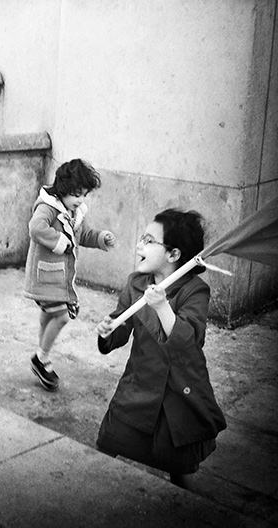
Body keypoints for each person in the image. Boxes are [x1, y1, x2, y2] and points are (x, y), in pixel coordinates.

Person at [96, 209, 226, 489]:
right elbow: (122, 327)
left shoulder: (195, 290)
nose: (138, 246)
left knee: (180, 469)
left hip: (176, 397)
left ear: (173, 254)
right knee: (105, 447)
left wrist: (163, 307)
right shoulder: (136, 283)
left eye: (148, 240)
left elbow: (190, 343)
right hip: (137, 389)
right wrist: (110, 329)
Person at [24, 158, 115, 391]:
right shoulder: (48, 208)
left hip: (58, 278)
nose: (80, 200)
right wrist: (58, 241)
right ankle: (41, 358)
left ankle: (41, 354)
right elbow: (35, 227)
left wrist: (100, 238)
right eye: (76, 194)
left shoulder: (75, 211)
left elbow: (81, 235)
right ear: (63, 190)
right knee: (62, 316)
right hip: (44, 277)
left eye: (84, 194)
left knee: (49, 315)